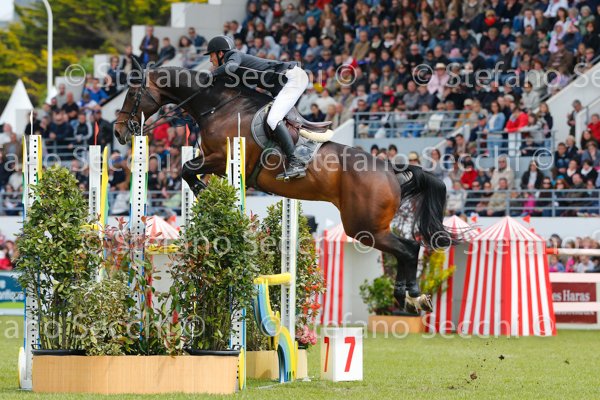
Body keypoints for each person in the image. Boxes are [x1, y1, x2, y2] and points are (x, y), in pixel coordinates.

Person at [204, 35, 310, 180]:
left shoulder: (233, 55)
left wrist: (211, 74)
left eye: (211, 55)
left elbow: (230, 67)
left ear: (220, 53)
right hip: (283, 85)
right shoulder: (233, 70)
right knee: (270, 118)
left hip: (292, 78)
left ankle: (296, 163)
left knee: (273, 119)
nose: (210, 60)